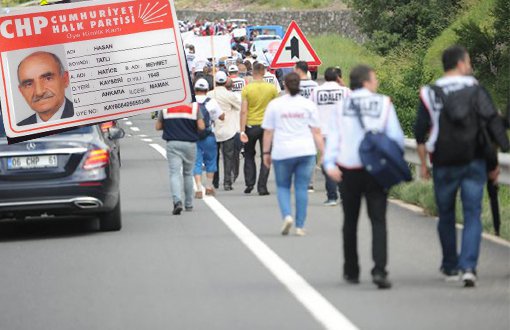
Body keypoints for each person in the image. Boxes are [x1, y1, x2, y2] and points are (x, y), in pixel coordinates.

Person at [414, 45, 510, 287]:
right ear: (460, 64)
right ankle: (469, 267)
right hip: (474, 160)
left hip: (443, 162)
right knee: (472, 214)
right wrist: (497, 156)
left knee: (445, 214)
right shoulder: (475, 88)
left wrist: (424, 165)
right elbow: (489, 125)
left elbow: (419, 132)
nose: (469, 66)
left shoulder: (429, 92)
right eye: (468, 62)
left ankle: (450, 266)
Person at [324, 65, 405, 289]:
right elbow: (396, 138)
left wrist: (329, 164)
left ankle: (351, 270)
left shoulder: (341, 106)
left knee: (350, 221)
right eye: (375, 78)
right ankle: (380, 270)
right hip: (376, 170)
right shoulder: (383, 103)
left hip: (348, 169)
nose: (376, 82)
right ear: (367, 81)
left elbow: (334, 138)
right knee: (378, 220)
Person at [262, 73, 324, 236]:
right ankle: (299, 225)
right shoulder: (308, 105)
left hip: (282, 151)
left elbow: (268, 132)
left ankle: (287, 216)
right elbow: (316, 131)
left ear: (285, 85)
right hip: (305, 150)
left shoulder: (275, 105)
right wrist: (323, 151)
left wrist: (265, 152)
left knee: (283, 186)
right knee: (301, 187)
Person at [156, 90, 206, 215]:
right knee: (188, 173)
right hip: (190, 143)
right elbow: (201, 126)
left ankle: (177, 201)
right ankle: (188, 203)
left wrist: (168, 125)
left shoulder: (166, 108)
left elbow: (158, 127)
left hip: (172, 143)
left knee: (174, 173)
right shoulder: (194, 107)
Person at [311, 67, 350, 206]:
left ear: (325, 77)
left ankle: (332, 196)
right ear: (338, 77)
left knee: (328, 163)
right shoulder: (344, 91)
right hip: (341, 133)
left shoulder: (316, 91)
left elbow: (311, 110)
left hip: (323, 133)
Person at [240, 62, 279, 195]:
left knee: (249, 155)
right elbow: (276, 109)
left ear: (252, 72)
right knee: (266, 156)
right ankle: (262, 186)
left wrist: (241, 130)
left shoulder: (247, 89)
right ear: (263, 72)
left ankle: (249, 183)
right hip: (267, 127)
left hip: (251, 125)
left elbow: (244, 111)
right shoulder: (272, 88)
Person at [17, 51, 74, 126]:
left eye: (48, 78)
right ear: (21, 92)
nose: (39, 92)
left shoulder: (84, 116)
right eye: (29, 84)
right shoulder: (20, 127)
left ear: (65, 79)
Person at [208, 71, 241, 191]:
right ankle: (227, 182)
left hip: (213, 129)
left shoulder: (209, 95)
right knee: (228, 157)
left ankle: (215, 181)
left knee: (214, 157)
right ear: (225, 81)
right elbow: (240, 106)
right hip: (228, 130)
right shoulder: (229, 95)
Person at [193, 78, 224, 198]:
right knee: (211, 160)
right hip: (209, 135)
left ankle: (199, 188)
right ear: (207, 90)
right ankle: (209, 186)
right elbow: (221, 117)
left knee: (196, 162)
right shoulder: (211, 102)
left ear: (195, 90)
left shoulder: (191, 102)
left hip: (194, 135)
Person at [294, 61, 319, 191]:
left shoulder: (294, 85)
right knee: (311, 152)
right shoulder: (315, 85)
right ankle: (310, 182)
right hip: (311, 122)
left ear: (298, 70)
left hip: (297, 123)